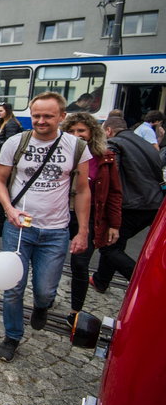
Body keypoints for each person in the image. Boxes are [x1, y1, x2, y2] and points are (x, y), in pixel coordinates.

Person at [0, 91, 91, 362]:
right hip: (19, 228)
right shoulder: (17, 142)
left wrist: (82, 231)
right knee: (13, 287)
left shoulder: (77, 147)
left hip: (56, 230)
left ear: (62, 116)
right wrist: (9, 210)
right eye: (36, 115)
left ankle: (41, 305)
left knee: (46, 289)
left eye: (48, 116)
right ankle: (12, 335)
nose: (41, 120)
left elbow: (83, 191)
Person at [60, 113, 121, 326]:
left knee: (79, 263)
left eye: (81, 131)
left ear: (91, 133)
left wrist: (114, 224)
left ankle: (75, 311)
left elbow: (114, 192)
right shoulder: (58, 153)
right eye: (72, 131)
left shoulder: (105, 157)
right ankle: (45, 298)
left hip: (90, 217)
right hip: (60, 214)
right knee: (52, 259)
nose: (77, 135)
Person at [91, 116, 165, 293]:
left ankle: (143, 283)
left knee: (109, 247)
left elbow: (110, 176)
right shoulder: (146, 143)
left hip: (132, 204)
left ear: (108, 130)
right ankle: (101, 280)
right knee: (115, 242)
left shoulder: (115, 144)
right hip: (154, 203)